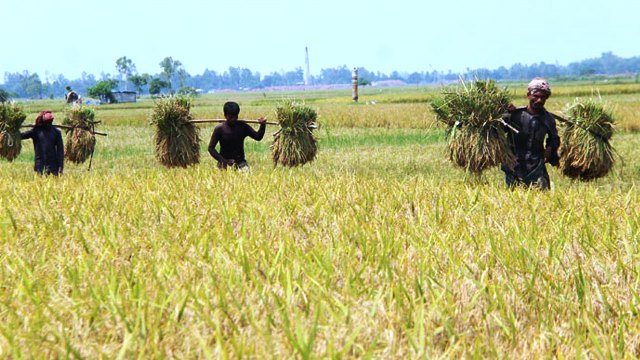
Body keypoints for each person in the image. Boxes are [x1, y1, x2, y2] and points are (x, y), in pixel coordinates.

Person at [500, 78, 560, 190]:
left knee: (543, 200)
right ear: (528, 95)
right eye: (536, 96)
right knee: (513, 201)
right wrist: (502, 111)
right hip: (513, 166)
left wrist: (550, 148)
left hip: (536, 166)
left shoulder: (548, 119)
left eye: (543, 97)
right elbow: (497, 129)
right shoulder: (514, 115)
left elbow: (555, 138)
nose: (539, 100)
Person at [208, 101, 267, 170]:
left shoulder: (242, 127)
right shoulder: (220, 129)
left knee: (247, 178)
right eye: (230, 117)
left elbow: (258, 137)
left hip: (241, 163)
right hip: (223, 163)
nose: (233, 119)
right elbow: (211, 148)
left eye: (235, 117)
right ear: (225, 115)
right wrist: (223, 161)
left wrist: (263, 125)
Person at [21, 111, 64, 176]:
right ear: (43, 121)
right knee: (40, 181)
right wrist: (11, 131)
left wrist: (60, 165)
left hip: (53, 164)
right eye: (47, 122)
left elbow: (60, 150)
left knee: (54, 182)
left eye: (50, 122)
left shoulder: (56, 132)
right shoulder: (36, 131)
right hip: (40, 163)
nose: (49, 124)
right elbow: (22, 136)